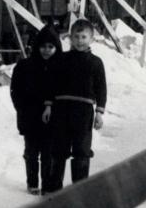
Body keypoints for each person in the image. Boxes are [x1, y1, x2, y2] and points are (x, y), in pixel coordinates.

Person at [42, 18, 107, 193]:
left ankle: (80, 191)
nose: (80, 41)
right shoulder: (61, 60)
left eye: (84, 37)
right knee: (58, 150)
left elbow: (101, 88)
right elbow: (51, 84)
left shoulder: (96, 62)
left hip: (84, 112)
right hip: (61, 110)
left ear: (91, 39)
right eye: (76, 37)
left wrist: (99, 112)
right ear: (70, 38)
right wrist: (48, 106)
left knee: (82, 151)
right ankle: (54, 191)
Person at [10, 25, 63, 195]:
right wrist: (22, 110)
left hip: (51, 119)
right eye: (43, 46)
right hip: (30, 117)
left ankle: (47, 185)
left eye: (51, 47)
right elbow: (15, 91)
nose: (46, 51)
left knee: (48, 153)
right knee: (31, 152)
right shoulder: (25, 66)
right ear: (36, 46)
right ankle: (32, 183)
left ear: (57, 48)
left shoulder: (60, 67)